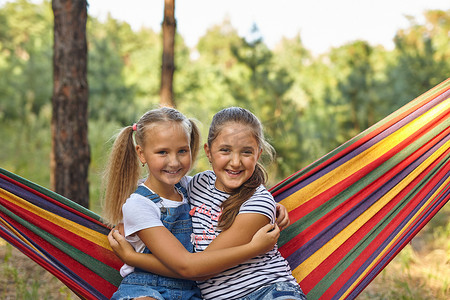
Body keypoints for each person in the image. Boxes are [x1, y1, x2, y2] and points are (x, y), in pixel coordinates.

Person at [109, 107, 306, 300]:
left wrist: (271, 207)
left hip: (266, 290)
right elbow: (152, 192)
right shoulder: (193, 185)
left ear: (258, 153)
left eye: (246, 152)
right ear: (208, 152)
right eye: (225, 150)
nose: (235, 162)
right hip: (155, 287)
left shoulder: (253, 202)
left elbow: (197, 269)